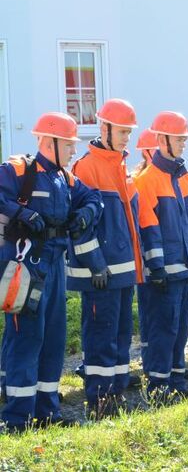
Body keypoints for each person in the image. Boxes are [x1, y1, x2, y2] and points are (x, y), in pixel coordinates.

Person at [0, 112, 103, 432]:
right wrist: (22, 213)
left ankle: (47, 410)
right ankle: (17, 417)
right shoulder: (18, 170)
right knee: (26, 336)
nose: (74, 151)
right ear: (49, 141)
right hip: (26, 264)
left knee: (53, 337)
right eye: (69, 145)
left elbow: (94, 198)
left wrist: (85, 214)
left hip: (55, 266)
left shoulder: (66, 178)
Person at [66, 99, 144, 419]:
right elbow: (80, 226)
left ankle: (117, 388)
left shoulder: (122, 165)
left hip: (122, 271)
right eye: (123, 132)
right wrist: (95, 263)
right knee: (101, 334)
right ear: (104, 129)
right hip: (102, 273)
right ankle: (100, 398)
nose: (127, 138)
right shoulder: (86, 167)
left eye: (129, 132)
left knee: (122, 332)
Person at [134, 111, 188, 402]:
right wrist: (157, 268)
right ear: (162, 140)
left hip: (184, 270)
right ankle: (158, 387)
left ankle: (177, 380)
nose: (184, 144)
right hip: (164, 274)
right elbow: (148, 228)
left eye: (185, 139)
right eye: (180, 139)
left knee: (179, 328)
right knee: (164, 329)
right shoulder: (147, 180)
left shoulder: (184, 177)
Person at [131, 128, 158, 376]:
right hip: (146, 256)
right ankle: (150, 363)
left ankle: (165, 362)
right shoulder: (140, 179)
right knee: (151, 310)